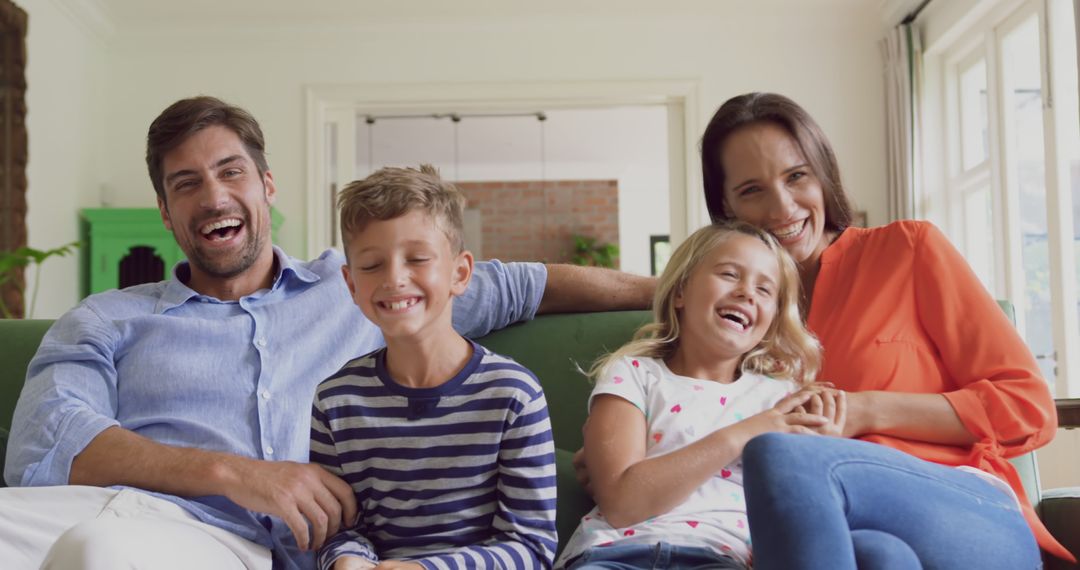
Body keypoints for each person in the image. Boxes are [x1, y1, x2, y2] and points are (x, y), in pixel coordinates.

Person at [0, 96, 652, 570]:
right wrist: (235, 473)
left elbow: (530, 284)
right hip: (105, 510)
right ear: (167, 214)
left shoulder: (365, 285)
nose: (213, 195)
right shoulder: (107, 318)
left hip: (219, 547)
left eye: (231, 171)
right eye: (186, 184)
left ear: (266, 185)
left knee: (100, 552)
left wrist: (674, 290)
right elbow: (43, 441)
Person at [698, 91, 1072, 568]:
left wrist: (866, 410)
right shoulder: (735, 315)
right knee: (879, 556)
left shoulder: (907, 250)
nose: (782, 207)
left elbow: (1029, 407)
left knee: (780, 456)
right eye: (752, 190)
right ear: (726, 209)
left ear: (823, 175)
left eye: (797, 176)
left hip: (969, 513)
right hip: (850, 539)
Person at [309, 165, 556, 570]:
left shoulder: (514, 394)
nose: (395, 278)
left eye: (418, 258)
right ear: (351, 285)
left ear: (460, 273)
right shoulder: (336, 400)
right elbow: (341, 528)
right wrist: (347, 559)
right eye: (371, 266)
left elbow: (531, 547)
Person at [556, 221, 840, 570]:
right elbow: (622, 503)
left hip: (719, 557)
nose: (747, 293)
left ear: (772, 319)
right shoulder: (633, 374)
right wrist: (746, 432)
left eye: (765, 290)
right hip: (614, 555)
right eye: (730, 274)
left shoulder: (781, 397)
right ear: (680, 292)